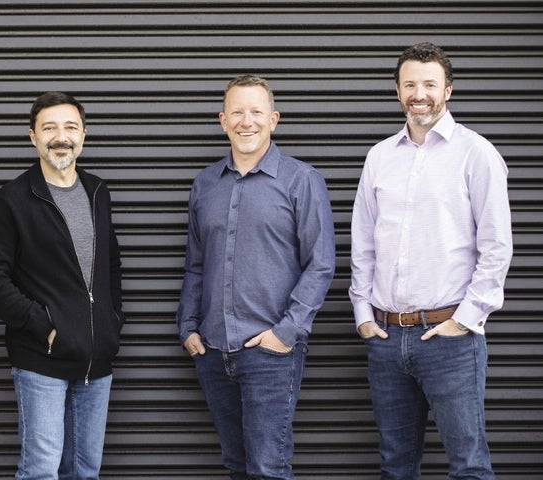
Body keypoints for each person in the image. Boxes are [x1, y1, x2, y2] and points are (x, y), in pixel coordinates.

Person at [349, 42, 513, 479]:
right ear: (398, 91)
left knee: (468, 466)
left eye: (429, 84)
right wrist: (363, 313)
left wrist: (466, 318)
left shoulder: (476, 154)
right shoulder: (380, 157)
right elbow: (364, 242)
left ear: (449, 90)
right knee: (395, 466)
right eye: (409, 84)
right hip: (386, 339)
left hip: (451, 340)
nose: (418, 93)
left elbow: (497, 247)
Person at [176, 74, 336, 480]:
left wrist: (287, 332)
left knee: (268, 468)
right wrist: (188, 327)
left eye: (256, 112)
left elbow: (320, 263)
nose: (247, 121)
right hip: (212, 349)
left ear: (274, 119)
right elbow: (196, 263)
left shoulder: (302, 180)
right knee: (237, 466)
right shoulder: (205, 184)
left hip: (270, 353)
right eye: (237, 112)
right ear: (223, 120)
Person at [0, 91, 124, 480]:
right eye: (50, 128)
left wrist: (110, 322)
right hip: (42, 359)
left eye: (70, 127)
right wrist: (44, 324)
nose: (61, 136)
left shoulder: (97, 192)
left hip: (96, 361)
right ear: (32, 137)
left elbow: (111, 265)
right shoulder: (13, 200)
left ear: (84, 135)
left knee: (84, 472)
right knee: (41, 471)